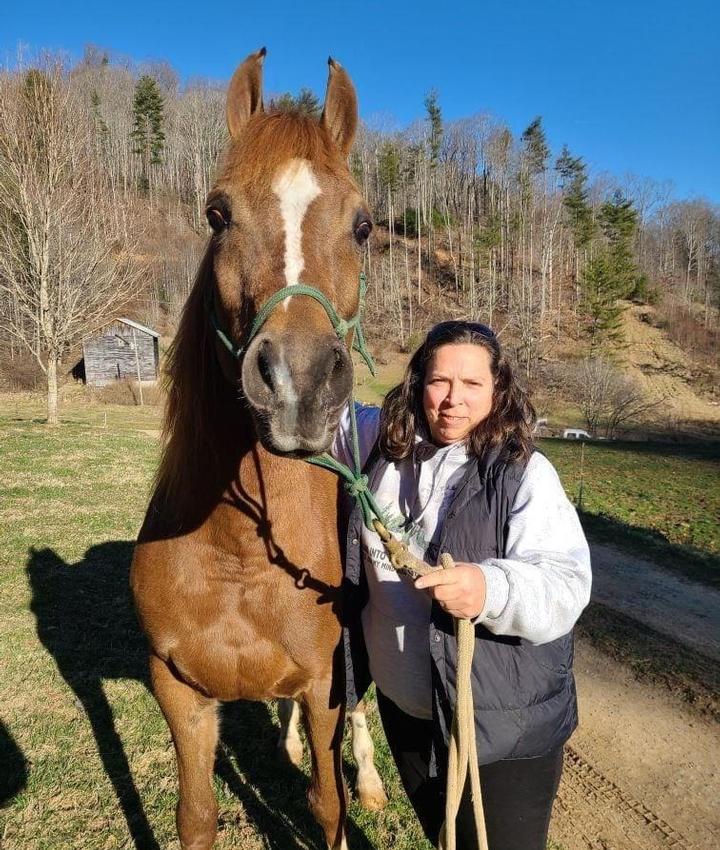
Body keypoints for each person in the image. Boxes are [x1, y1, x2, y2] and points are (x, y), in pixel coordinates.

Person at [334, 320, 591, 850]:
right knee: (444, 838)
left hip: (500, 729)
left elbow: (567, 583)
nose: (453, 400)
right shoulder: (378, 442)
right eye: (439, 381)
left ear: (498, 392)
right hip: (407, 713)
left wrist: (490, 588)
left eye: (472, 384)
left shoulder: (524, 474)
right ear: (417, 384)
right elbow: (315, 402)